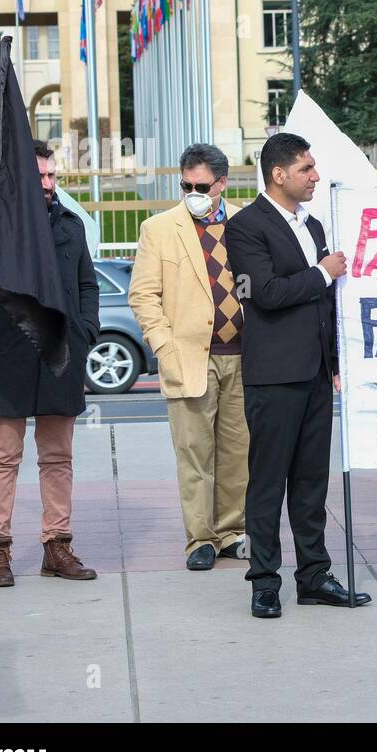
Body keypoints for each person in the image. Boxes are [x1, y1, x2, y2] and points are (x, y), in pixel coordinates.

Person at [225, 132, 370, 616]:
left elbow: (326, 306)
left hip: (313, 374)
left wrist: (334, 361)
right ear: (278, 174)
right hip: (273, 375)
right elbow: (263, 292)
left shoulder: (314, 226)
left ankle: (314, 575)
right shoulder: (246, 227)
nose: (315, 176)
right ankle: (264, 581)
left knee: (311, 482)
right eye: (306, 168)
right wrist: (324, 272)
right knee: (268, 482)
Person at [0, 139, 100, 587]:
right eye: (40, 176)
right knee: (4, 456)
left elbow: (87, 285)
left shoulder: (70, 224)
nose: (48, 183)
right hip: (10, 357)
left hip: (61, 355)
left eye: (52, 175)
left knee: (58, 456)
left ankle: (56, 546)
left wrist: (86, 332)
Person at [129, 144, 249, 571]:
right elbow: (143, 295)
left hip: (244, 357)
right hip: (189, 359)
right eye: (186, 185)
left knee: (238, 451)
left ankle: (233, 530)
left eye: (202, 186)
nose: (193, 192)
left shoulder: (245, 224)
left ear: (221, 184)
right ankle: (200, 538)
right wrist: (164, 346)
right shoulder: (159, 228)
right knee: (195, 453)